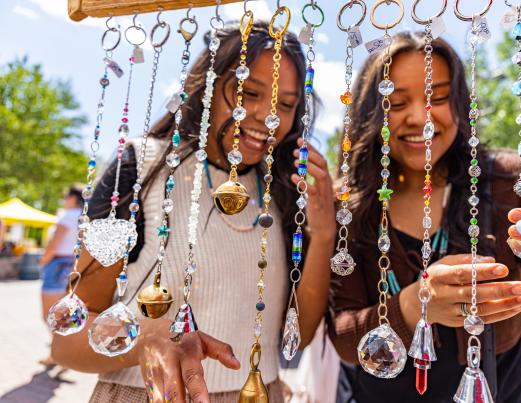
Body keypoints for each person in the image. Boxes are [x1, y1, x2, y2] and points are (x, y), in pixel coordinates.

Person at [51, 22, 335, 403]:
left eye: (285, 105)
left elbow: (300, 334)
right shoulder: (141, 169)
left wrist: (325, 234)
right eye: (248, 93)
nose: (267, 118)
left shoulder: (283, 194)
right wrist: (146, 343)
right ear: (207, 87)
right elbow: (65, 346)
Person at [328, 32, 521, 403]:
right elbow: (344, 338)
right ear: (371, 113)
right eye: (395, 102)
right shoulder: (348, 203)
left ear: (460, 103)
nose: (419, 118)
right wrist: (412, 306)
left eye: (438, 98)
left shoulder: (512, 185)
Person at [39, 186, 83, 366]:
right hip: (72, 263)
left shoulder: (68, 216)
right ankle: (63, 352)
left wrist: (43, 261)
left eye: (66, 196)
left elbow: (54, 244)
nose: (64, 199)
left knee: (50, 314)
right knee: (65, 313)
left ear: (72, 198)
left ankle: (59, 355)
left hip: (57, 264)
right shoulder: (83, 216)